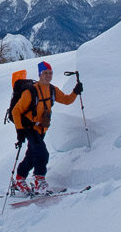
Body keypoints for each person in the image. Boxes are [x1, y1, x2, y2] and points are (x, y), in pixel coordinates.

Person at [11, 61, 83, 194]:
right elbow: (16, 111)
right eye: (45, 73)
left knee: (32, 156)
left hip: (42, 128)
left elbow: (66, 100)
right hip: (28, 127)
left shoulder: (52, 90)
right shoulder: (30, 92)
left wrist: (75, 91)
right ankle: (40, 182)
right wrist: (20, 131)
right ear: (40, 74)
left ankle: (20, 179)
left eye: (50, 73)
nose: (48, 76)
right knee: (42, 153)